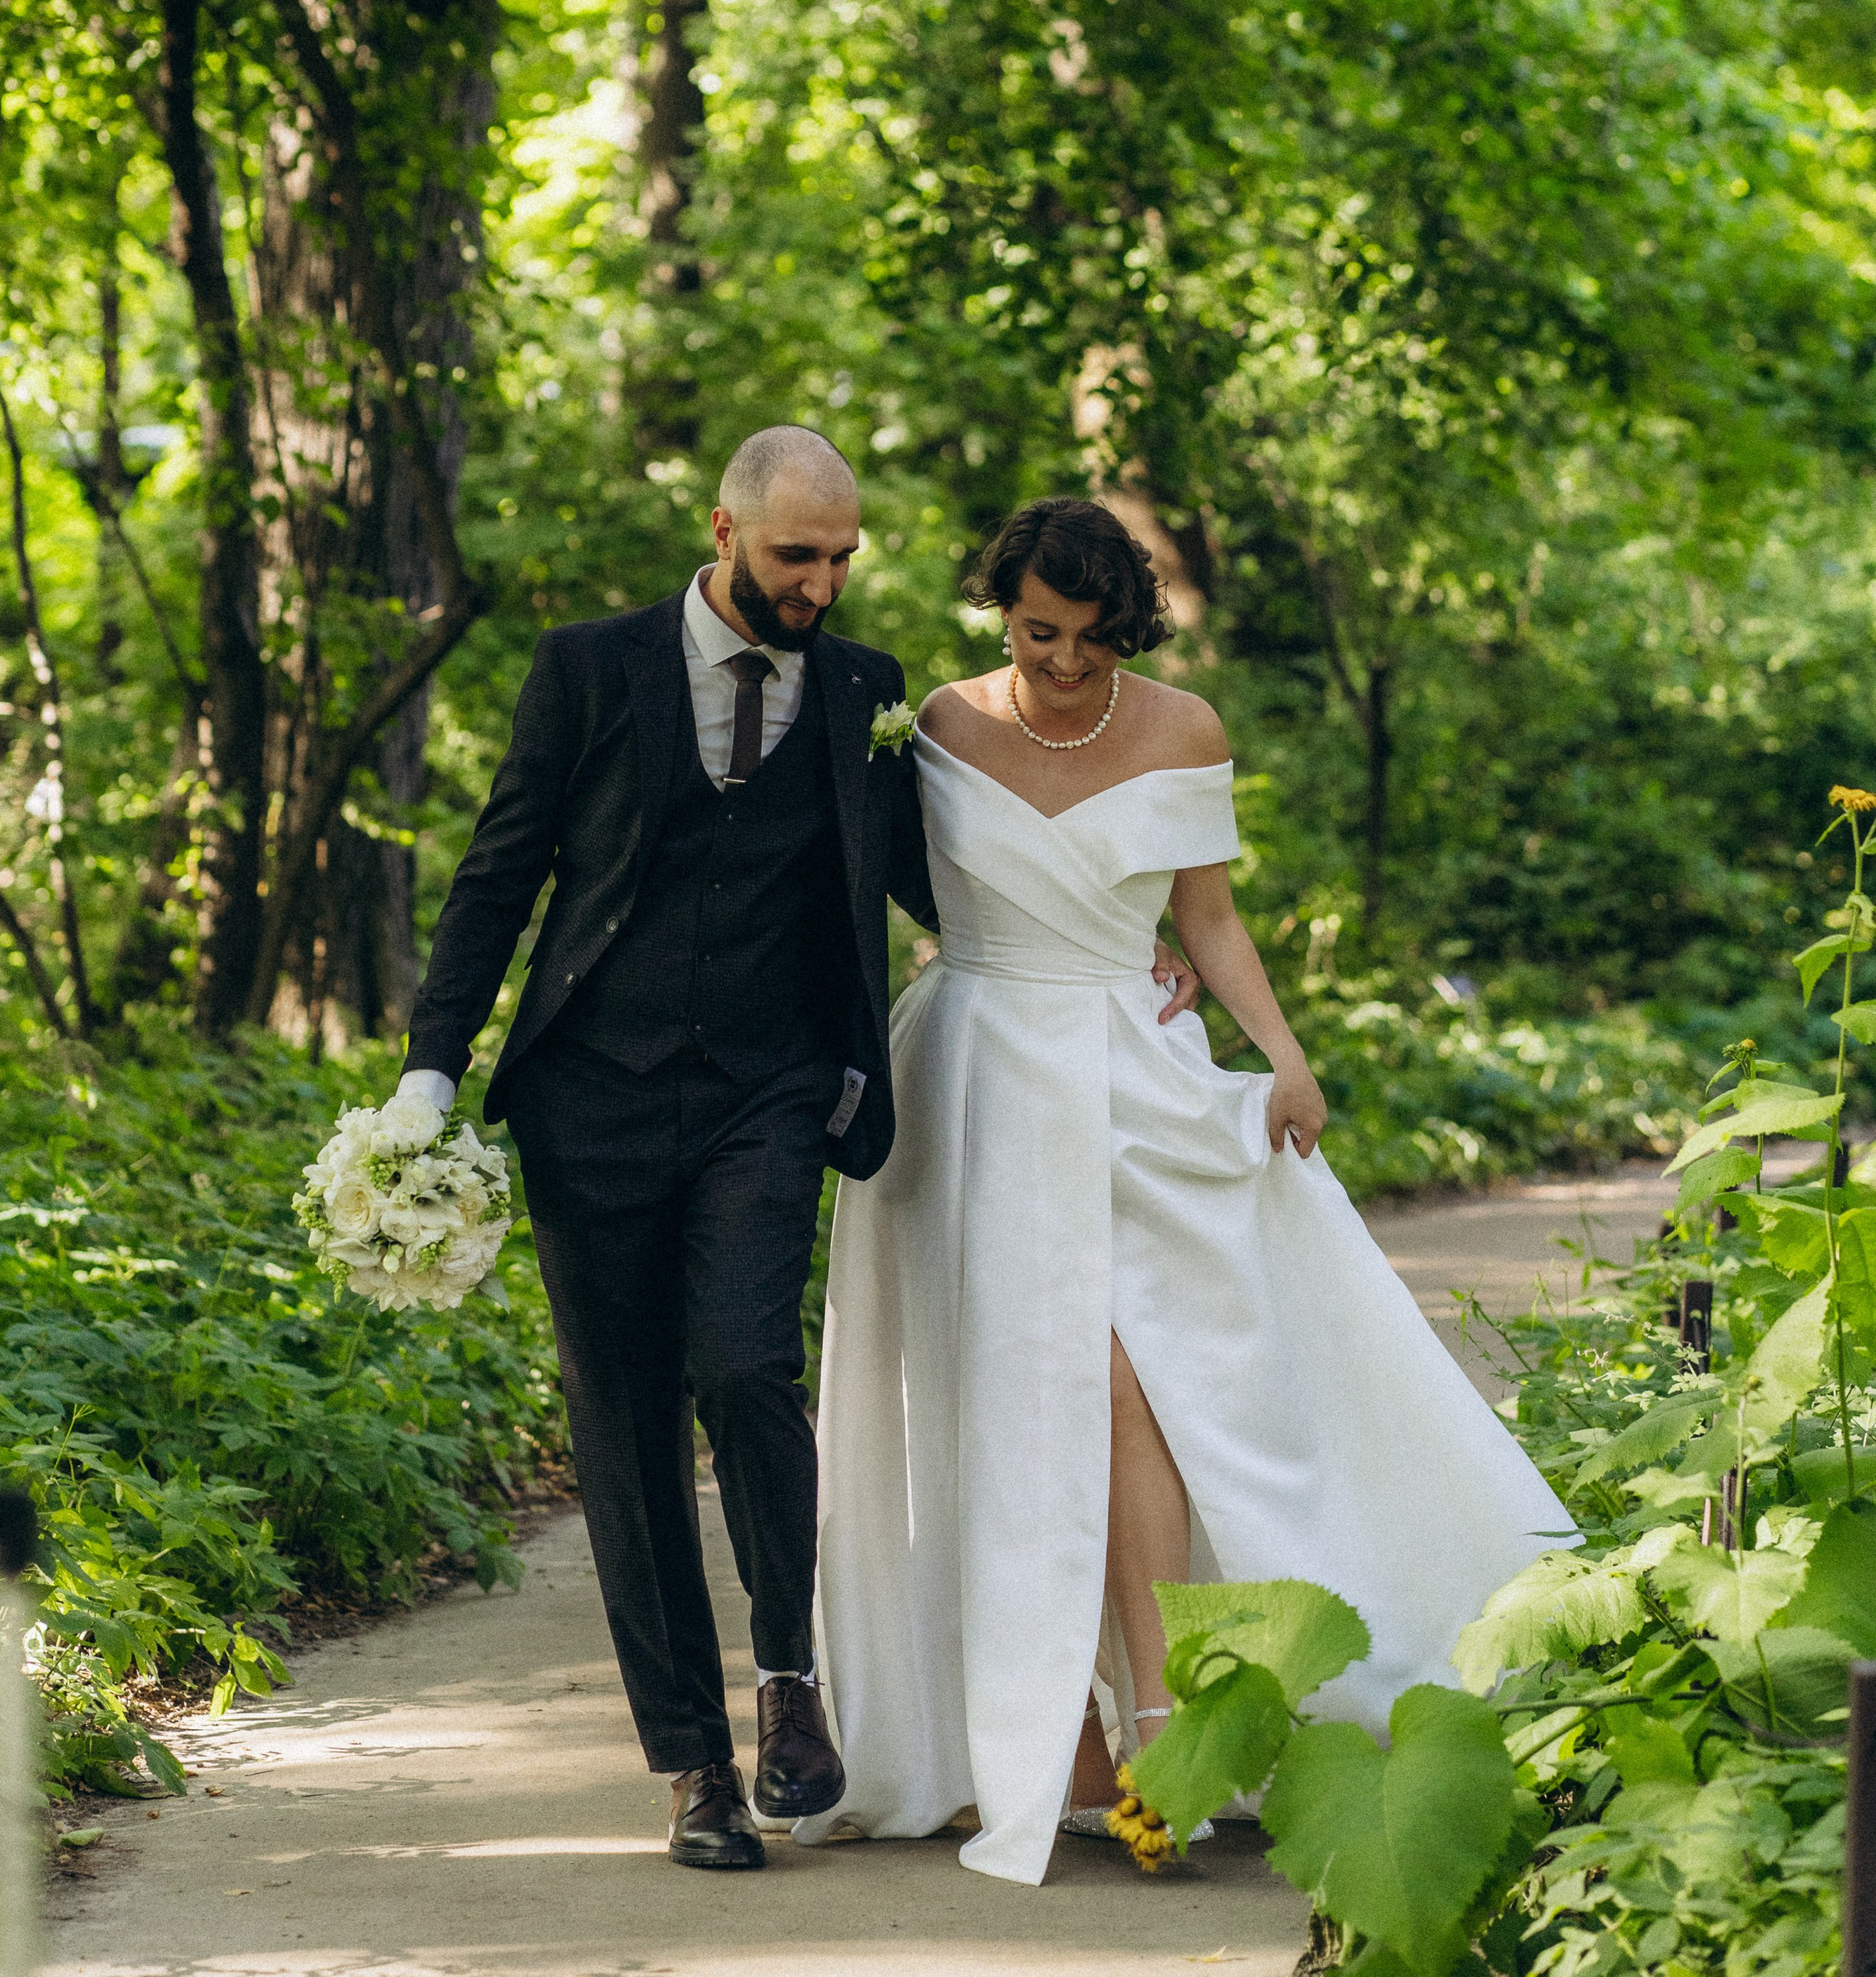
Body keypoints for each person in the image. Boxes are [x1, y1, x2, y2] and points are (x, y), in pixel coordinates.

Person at [390, 431, 1193, 1872]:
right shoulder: (589, 668)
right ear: (725, 534)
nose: (820, 585)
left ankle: (790, 1683)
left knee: (750, 1364)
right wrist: (429, 1073)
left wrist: (1125, 942)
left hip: (769, 1093)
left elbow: (933, 865)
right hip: (593, 1100)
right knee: (624, 1430)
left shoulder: (870, 693)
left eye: (841, 558)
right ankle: (694, 1764)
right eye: (794, 558)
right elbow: (501, 870)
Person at [801, 495, 1575, 1888]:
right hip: (972, 1081)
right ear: (1002, 612)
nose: (1063, 666)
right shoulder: (936, 724)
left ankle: (1162, 1713)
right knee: (991, 1397)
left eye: (1092, 642)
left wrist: (1282, 1056)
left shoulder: (1186, 727)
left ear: (1129, 628)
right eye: (1039, 634)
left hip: (1125, 1077)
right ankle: (1040, 1742)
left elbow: (1205, 914)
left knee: (1122, 1376)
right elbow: (885, 885)